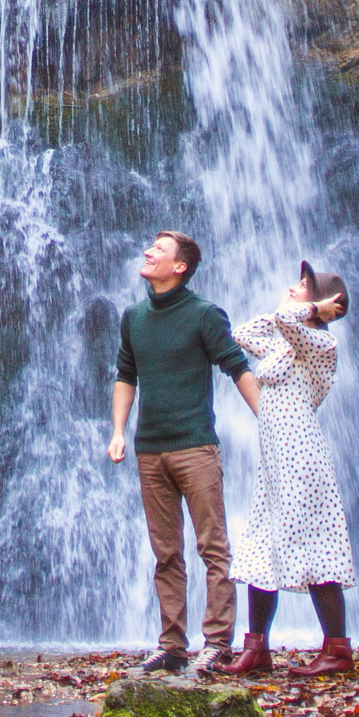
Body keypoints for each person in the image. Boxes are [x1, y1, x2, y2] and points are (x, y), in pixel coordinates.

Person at [109, 230, 263, 675]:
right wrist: (118, 430)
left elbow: (237, 367)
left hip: (196, 446)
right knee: (166, 552)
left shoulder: (204, 314)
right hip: (149, 450)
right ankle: (172, 644)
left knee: (213, 547)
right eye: (150, 246)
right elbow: (125, 375)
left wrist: (269, 422)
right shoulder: (133, 317)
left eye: (158, 249)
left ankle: (217, 643)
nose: (148, 251)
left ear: (179, 266)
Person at [221, 262, 357, 677]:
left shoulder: (319, 345)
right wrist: (302, 306)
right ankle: (256, 646)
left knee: (315, 548)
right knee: (262, 547)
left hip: (303, 463)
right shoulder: (284, 346)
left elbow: (285, 319)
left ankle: (337, 649)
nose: (290, 288)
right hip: (275, 464)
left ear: (321, 304)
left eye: (301, 286)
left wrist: (314, 311)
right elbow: (242, 334)